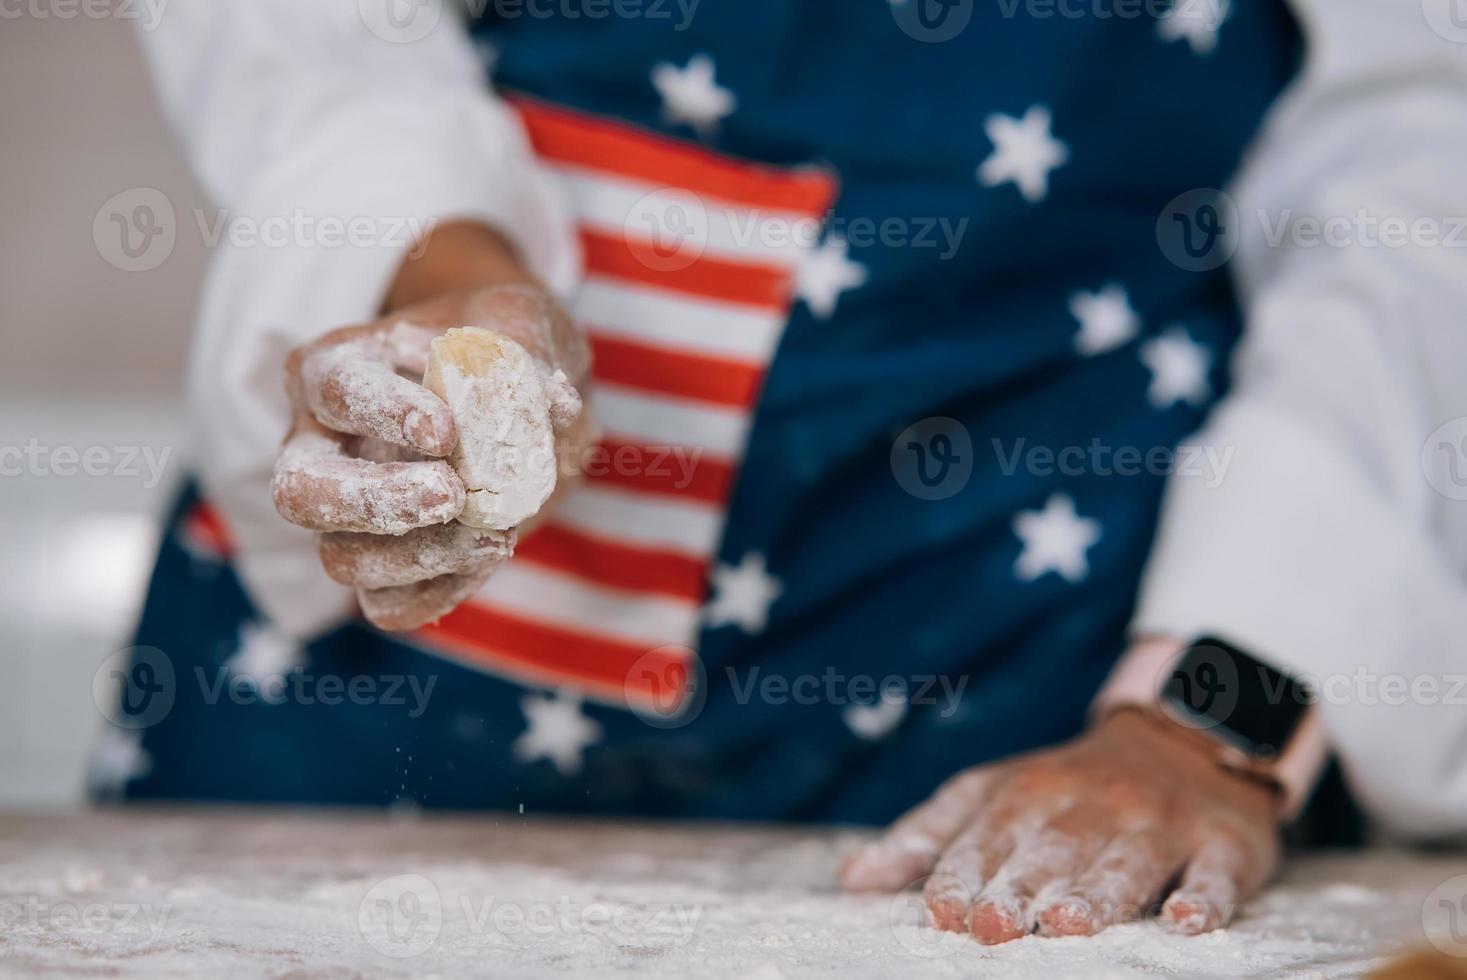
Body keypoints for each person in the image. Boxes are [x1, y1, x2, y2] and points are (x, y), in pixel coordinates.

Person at [114, 0, 1467, 944]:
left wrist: (1213, 715)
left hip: (1031, 649)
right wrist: (444, 274)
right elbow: (306, 31)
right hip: (393, 662)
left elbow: (1421, 159)